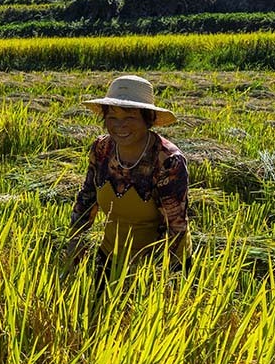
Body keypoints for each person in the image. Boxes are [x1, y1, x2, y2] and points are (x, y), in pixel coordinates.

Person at [70, 75, 190, 278]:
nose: (119, 126)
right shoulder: (102, 149)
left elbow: (176, 226)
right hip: (108, 257)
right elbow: (87, 199)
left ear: (148, 119)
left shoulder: (167, 160)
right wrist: (74, 244)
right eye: (112, 117)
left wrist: (168, 279)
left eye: (129, 117)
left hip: (152, 266)